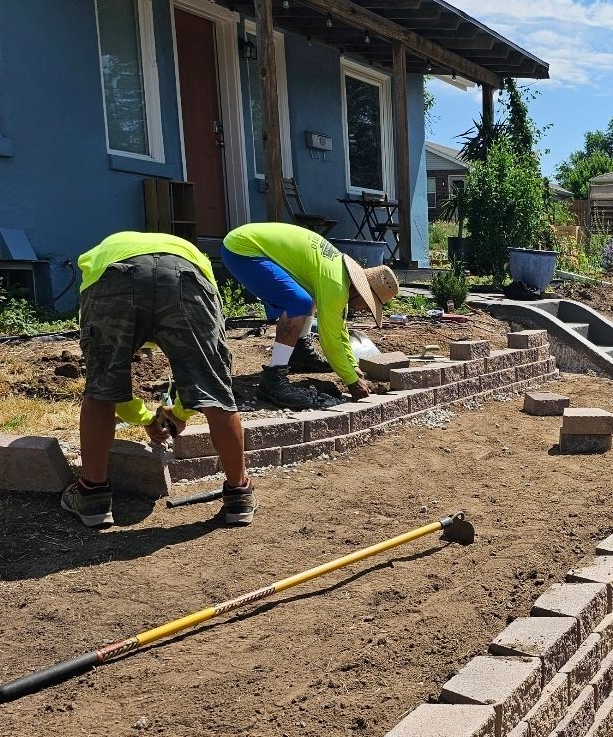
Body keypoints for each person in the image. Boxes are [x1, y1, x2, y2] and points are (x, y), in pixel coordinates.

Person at [66, 232, 254, 529]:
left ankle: (92, 497)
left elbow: (112, 386)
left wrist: (145, 419)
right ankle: (239, 494)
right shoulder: (196, 257)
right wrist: (177, 415)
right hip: (187, 274)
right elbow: (205, 381)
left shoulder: (99, 254)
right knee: (215, 388)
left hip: (113, 277)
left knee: (100, 388)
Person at [219, 222, 399, 410]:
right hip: (242, 250)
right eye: (368, 305)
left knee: (309, 298)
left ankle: (300, 353)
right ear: (362, 292)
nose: (364, 310)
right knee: (299, 302)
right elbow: (330, 339)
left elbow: (339, 328)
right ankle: (273, 380)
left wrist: (353, 367)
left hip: (250, 244)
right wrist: (351, 381)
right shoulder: (335, 286)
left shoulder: (339, 276)